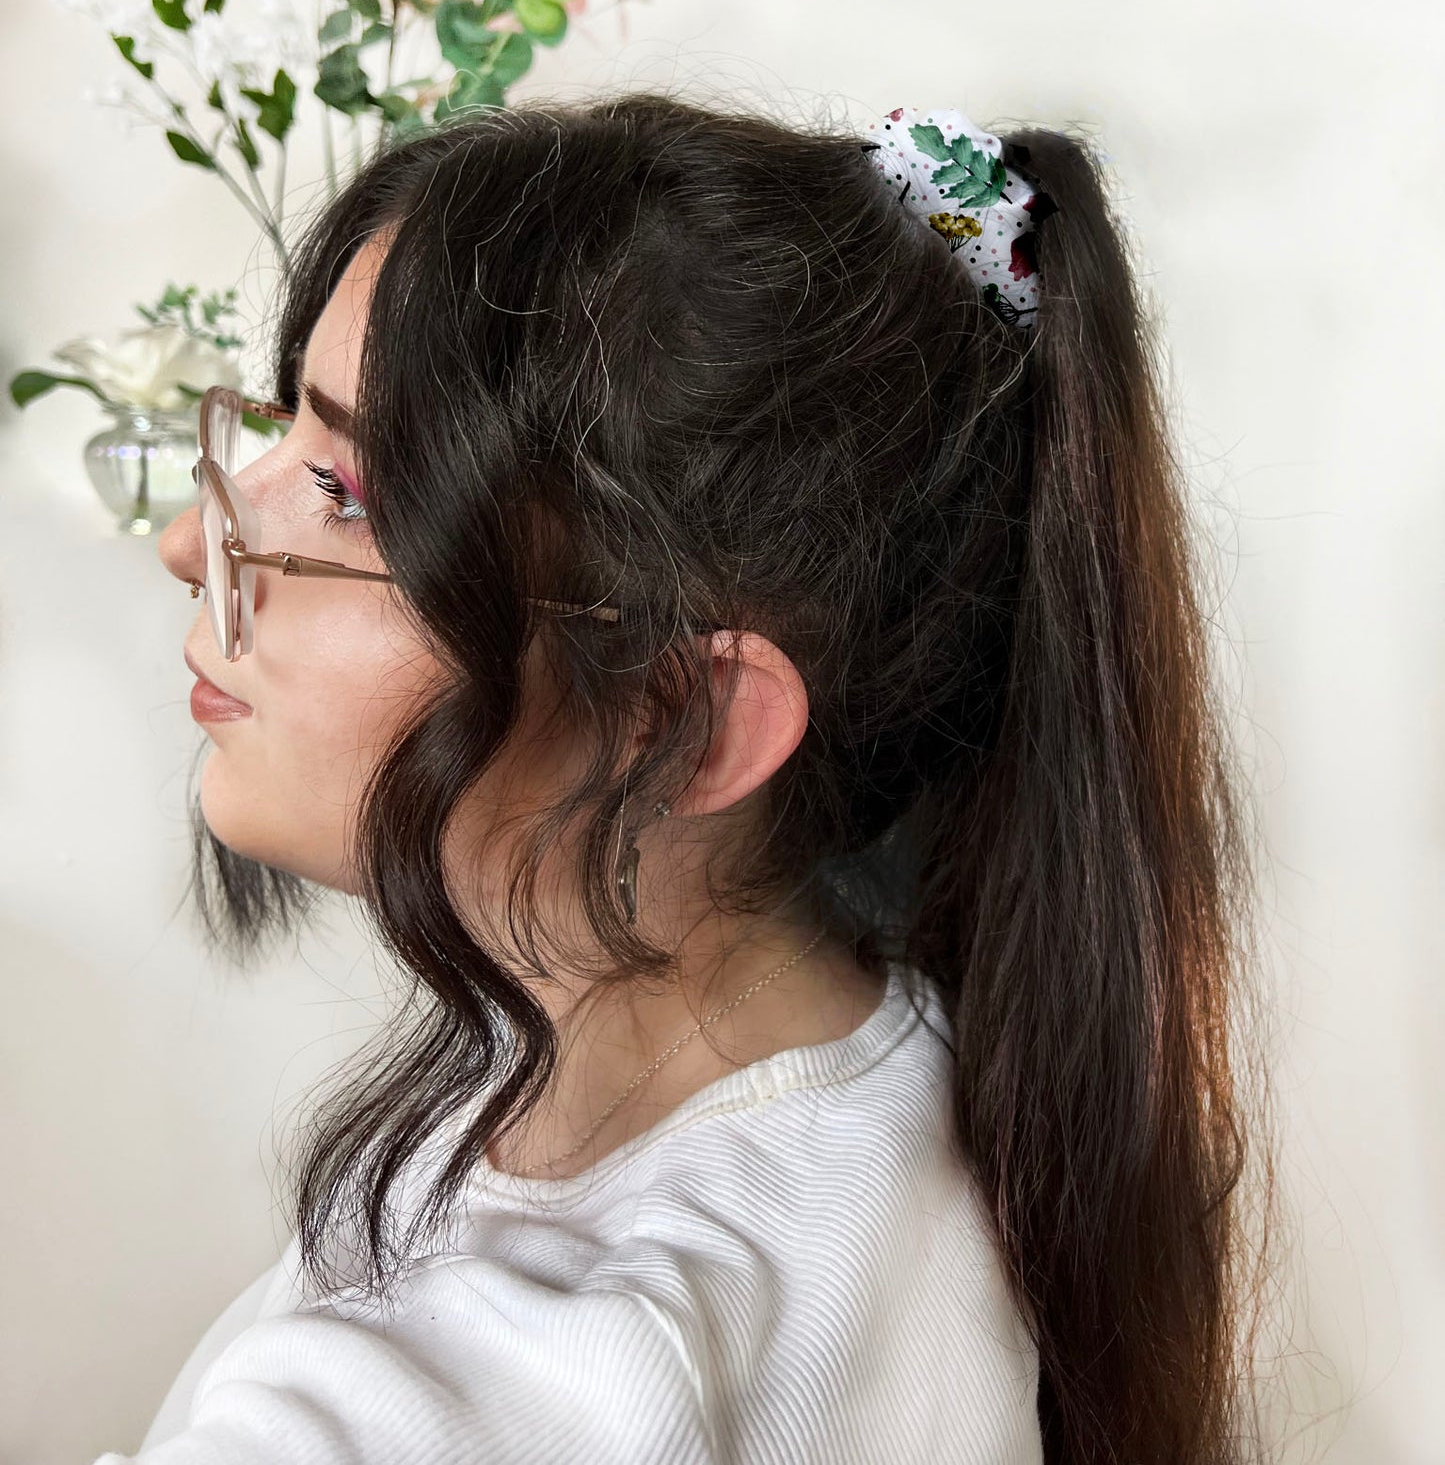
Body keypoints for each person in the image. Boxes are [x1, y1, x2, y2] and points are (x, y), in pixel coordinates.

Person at [107, 91, 1277, 1463]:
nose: (196, 538)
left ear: (687, 724)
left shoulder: (440, 1403)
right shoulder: (895, 1081)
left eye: (352, 492)